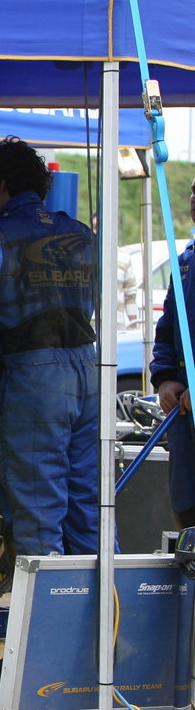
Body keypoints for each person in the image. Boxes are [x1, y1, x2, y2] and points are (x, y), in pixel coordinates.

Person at [0, 137, 98, 557]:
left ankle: (48, 622)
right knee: (92, 507)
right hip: (90, 368)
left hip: (34, 376)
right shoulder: (80, 233)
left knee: (36, 512)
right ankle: (105, 619)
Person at [151, 180, 195, 530]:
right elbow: (166, 327)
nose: (194, 199)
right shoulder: (184, 262)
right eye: (193, 192)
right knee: (184, 500)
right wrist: (165, 378)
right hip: (183, 409)